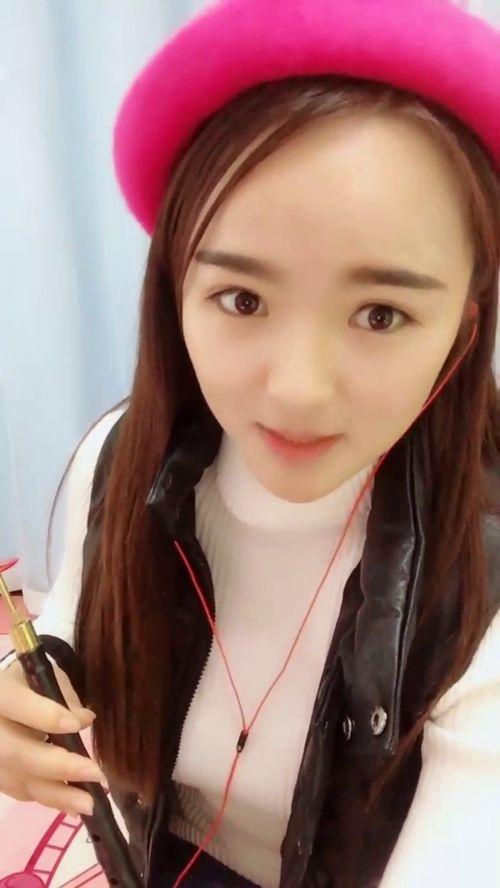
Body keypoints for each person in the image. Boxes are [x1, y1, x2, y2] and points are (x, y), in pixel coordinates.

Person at [1, 0, 500, 885]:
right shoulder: (122, 456)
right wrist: (21, 690)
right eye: (242, 300)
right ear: (176, 293)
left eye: (381, 314)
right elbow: (78, 625)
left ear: (461, 334)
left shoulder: (484, 572)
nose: (298, 389)